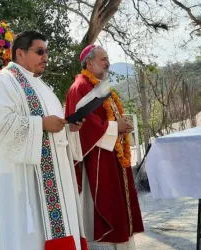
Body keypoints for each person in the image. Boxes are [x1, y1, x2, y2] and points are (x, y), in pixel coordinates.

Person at [0, 30, 88, 250]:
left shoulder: (43, 87)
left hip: (55, 181)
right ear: (20, 53)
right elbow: (2, 127)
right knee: (29, 240)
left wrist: (69, 128)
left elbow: (53, 126)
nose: (46, 57)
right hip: (23, 183)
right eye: (40, 51)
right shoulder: (2, 82)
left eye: (46, 51)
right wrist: (41, 124)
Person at [65, 45, 144, 250]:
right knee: (104, 209)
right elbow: (84, 125)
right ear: (89, 63)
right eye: (103, 59)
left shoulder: (100, 85)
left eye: (107, 58)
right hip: (98, 159)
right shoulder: (79, 87)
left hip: (112, 154)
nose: (107, 62)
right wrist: (115, 127)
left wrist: (121, 126)